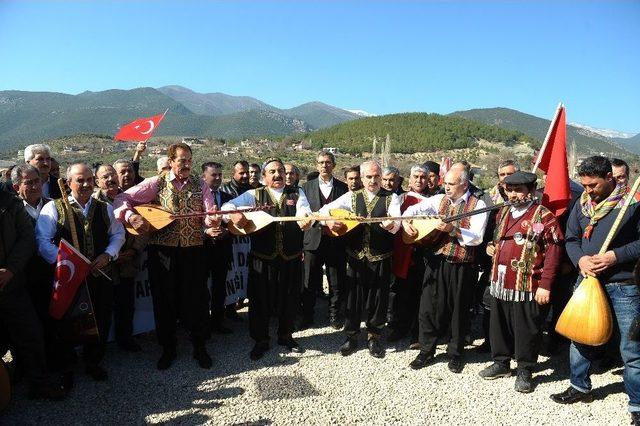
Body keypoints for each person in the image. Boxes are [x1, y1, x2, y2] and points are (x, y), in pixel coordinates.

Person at [550, 156, 640, 425]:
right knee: (581, 337)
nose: (588, 190)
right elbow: (572, 239)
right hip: (587, 281)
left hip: (623, 285)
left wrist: (615, 256)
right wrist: (580, 259)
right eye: (584, 185)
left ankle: (637, 403)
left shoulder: (633, 205)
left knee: (632, 347)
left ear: (610, 178)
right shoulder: (582, 205)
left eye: (594, 185)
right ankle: (579, 386)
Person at [113, 143, 217, 370]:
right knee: (164, 301)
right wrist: (132, 218)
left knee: (197, 300)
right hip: (163, 253)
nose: (187, 164)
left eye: (189, 160)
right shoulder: (156, 183)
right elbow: (121, 200)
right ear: (171, 161)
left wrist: (213, 222)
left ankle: (199, 346)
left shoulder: (201, 184)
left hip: (194, 250)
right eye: (182, 160)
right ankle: (168, 349)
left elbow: (209, 214)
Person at [36, 163, 125, 381]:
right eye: (79, 180)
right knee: (67, 320)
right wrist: (67, 263)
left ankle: (94, 361)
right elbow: (42, 241)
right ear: (68, 183)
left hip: (98, 275)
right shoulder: (53, 208)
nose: (85, 184)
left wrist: (108, 255)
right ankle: (67, 365)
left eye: (88, 180)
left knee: (100, 318)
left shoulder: (104, 208)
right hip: (69, 279)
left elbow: (118, 235)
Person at [478, 171, 563, 393]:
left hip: (527, 284)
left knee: (526, 329)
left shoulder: (544, 217)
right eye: (510, 189)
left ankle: (525, 369)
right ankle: (501, 362)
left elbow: (553, 252)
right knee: (499, 325)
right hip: (500, 281)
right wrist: (490, 246)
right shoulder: (503, 212)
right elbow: (495, 239)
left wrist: (545, 284)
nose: (513, 194)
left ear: (531, 191)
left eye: (519, 190)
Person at [222, 157, 313, 360]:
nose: (278, 174)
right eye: (272, 171)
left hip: (290, 256)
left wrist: (306, 220)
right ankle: (261, 339)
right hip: (262, 258)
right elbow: (227, 206)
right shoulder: (254, 194)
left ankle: (285, 335)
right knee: (260, 300)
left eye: (280, 170)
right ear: (264, 176)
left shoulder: (297, 193)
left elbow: (305, 211)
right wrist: (234, 215)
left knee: (289, 298)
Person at [403, 167, 488, 373]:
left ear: (464, 184)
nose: (446, 187)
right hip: (436, 261)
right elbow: (412, 211)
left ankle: (456, 352)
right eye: (446, 183)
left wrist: (453, 229)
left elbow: (477, 237)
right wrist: (406, 223)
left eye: (451, 184)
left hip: (461, 265)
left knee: (459, 308)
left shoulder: (478, 204)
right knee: (429, 306)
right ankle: (426, 349)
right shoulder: (438, 199)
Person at [319, 161, 401, 359]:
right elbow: (323, 211)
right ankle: (352, 336)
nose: (373, 180)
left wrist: (391, 225)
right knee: (353, 299)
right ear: (362, 178)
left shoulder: (392, 198)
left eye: (376, 177)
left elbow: (398, 224)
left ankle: (374, 336)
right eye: (369, 177)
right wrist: (329, 221)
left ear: (381, 177)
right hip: (355, 256)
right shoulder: (351, 196)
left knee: (378, 299)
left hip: (380, 256)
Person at [0, 186, 67, 400]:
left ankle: (38, 383)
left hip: (12, 284)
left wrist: (10, 269)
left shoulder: (8, 201)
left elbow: (26, 238)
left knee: (30, 334)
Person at [98, 159, 147, 352]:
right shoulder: (93, 202)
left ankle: (125, 339)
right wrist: (109, 255)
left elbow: (145, 228)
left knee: (126, 305)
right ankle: (99, 348)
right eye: (106, 177)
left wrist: (134, 250)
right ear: (97, 181)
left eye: (113, 176)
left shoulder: (131, 199)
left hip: (128, 262)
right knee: (102, 308)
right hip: (104, 265)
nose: (111, 180)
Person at [300, 151, 348, 329]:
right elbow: (304, 214)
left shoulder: (343, 188)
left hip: (336, 242)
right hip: (313, 240)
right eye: (321, 162)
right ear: (316, 165)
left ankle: (334, 315)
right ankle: (307, 316)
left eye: (328, 162)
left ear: (333, 165)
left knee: (336, 281)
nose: (324, 165)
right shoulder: (306, 187)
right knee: (310, 281)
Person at [388, 164, 431, 348]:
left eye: (423, 177)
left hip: (425, 254)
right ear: (410, 179)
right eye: (416, 177)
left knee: (421, 295)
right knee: (401, 293)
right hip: (404, 253)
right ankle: (399, 328)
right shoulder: (400, 199)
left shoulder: (436, 200)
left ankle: (417, 334)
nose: (419, 180)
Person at [201, 162, 234, 335]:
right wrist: (206, 231)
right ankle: (203, 324)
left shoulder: (228, 199)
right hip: (202, 250)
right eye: (214, 175)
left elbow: (234, 225)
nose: (218, 178)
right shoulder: (196, 198)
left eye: (220, 175)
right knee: (201, 289)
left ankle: (218, 322)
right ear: (203, 177)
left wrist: (226, 231)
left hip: (222, 250)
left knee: (219, 287)